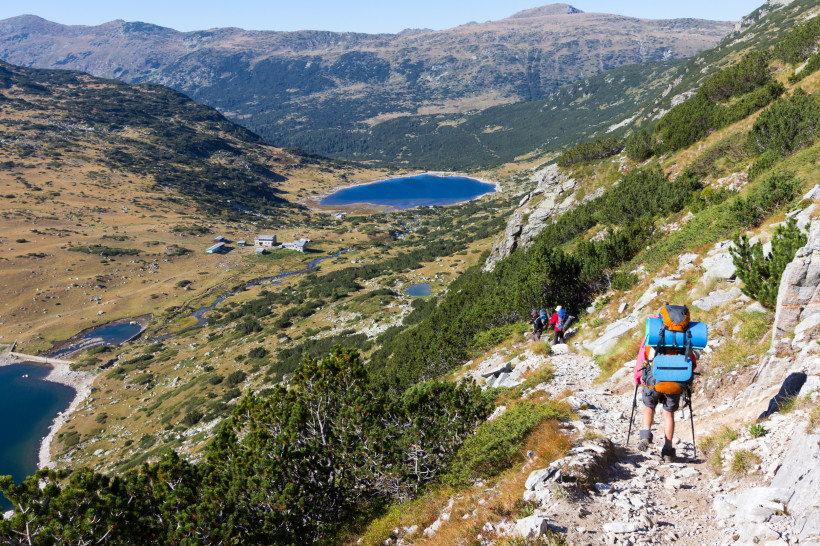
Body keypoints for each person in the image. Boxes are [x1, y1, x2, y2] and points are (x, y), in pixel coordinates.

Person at [633, 331, 698, 463]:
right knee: (668, 415)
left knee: (649, 407)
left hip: (654, 380)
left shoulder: (651, 334)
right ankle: (668, 449)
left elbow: (642, 357)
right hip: (675, 382)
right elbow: (692, 362)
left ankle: (646, 434)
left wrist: (638, 378)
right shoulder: (684, 336)